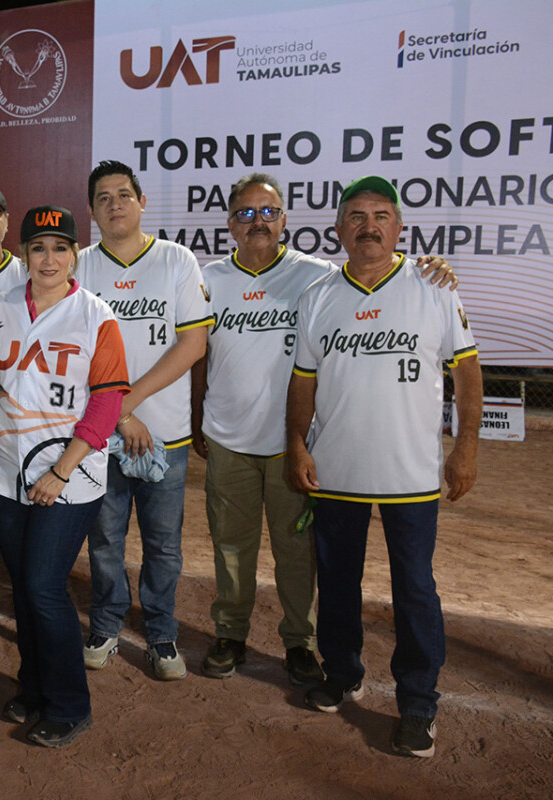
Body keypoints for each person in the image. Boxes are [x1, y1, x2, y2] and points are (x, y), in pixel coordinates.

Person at [191, 173, 459, 685]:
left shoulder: (315, 278)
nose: (258, 222)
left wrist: (435, 267)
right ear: (230, 224)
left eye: (267, 212)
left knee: (297, 552)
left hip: (297, 447)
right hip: (227, 436)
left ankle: (299, 641)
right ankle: (230, 633)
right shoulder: (211, 279)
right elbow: (200, 353)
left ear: (285, 219)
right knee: (230, 545)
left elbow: (376, 278)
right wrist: (195, 411)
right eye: (245, 214)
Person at [286, 176, 482, 758]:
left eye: (380, 215)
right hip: (338, 470)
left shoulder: (433, 285)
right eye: (356, 215)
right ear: (339, 228)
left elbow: (467, 373)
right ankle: (342, 674)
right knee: (338, 584)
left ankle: (418, 702)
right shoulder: (319, 295)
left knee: (415, 590)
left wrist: (466, 445)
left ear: (398, 227)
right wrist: (297, 442)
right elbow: (304, 382)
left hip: (411, 474)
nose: (368, 225)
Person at [0, 205, 128, 747]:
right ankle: (34, 684)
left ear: (75, 255)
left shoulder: (96, 315)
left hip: (69, 476)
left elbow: (108, 400)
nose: (49, 258)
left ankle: (70, 703)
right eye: (39, 247)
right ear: (24, 254)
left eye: (60, 248)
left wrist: (61, 471)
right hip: (6, 472)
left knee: (44, 586)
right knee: (24, 587)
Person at [75, 160, 212, 679]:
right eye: (104, 197)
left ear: (142, 202)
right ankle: (107, 624)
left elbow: (193, 343)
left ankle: (161, 633)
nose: (115, 204)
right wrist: (115, 415)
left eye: (124, 194)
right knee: (105, 540)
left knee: (163, 545)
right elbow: (72, 349)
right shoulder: (80, 265)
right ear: (91, 210)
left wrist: (124, 405)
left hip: (165, 436)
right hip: (97, 438)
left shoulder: (176, 260)